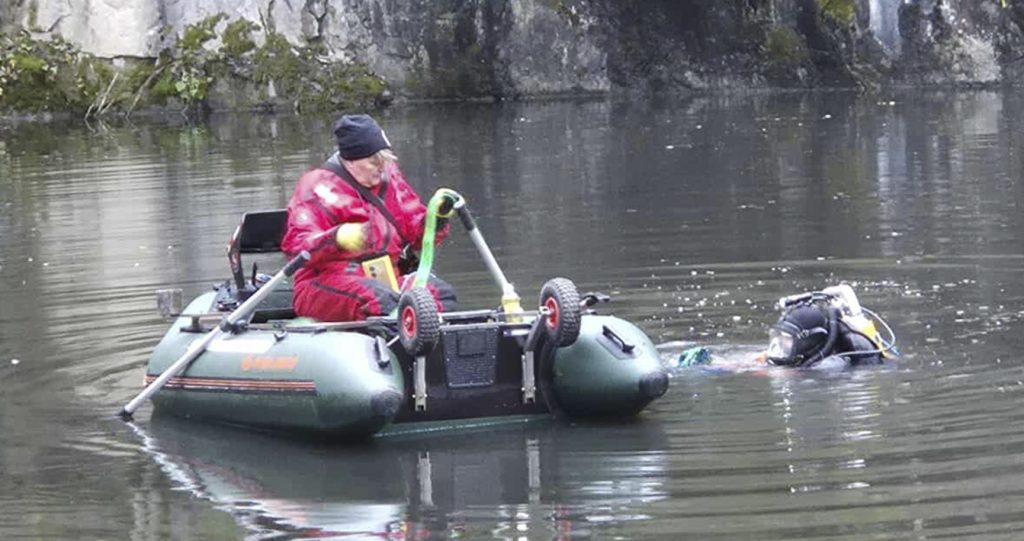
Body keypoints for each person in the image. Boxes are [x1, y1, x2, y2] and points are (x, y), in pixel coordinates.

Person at [281, 114, 457, 322]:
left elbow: (418, 236)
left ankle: (433, 346)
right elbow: (296, 248)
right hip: (324, 284)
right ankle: (396, 346)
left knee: (441, 295)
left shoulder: (389, 178)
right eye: (374, 162)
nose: (382, 168)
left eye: (385, 160)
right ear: (351, 160)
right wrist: (335, 238)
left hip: (385, 279)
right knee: (377, 300)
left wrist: (436, 218)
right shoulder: (317, 187)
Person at [678, 284, 894, 370]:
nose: (778, 348)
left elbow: (782, 374)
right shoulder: (802, 352)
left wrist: (720, 370)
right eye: (778, 341)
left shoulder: (832, 364)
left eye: (785, 343)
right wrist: (716, 361)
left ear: (809, 341)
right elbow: (769, 362)